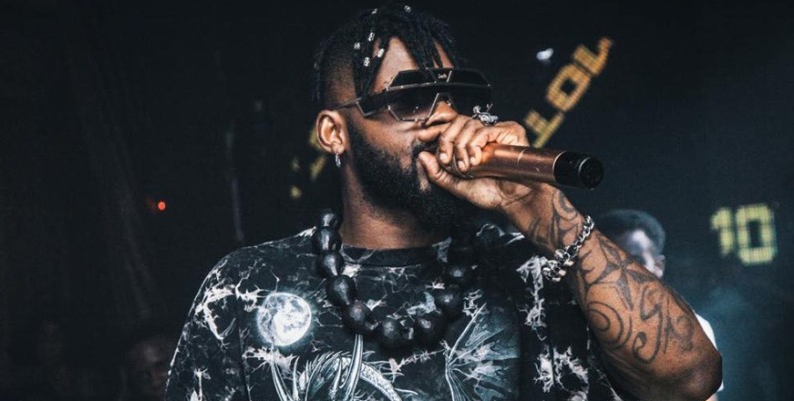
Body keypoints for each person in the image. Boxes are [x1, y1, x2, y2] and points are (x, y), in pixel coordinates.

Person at [166, 4, 721, 400]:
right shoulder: (247, 286)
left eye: (456, 97)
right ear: (334, 133)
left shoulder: (536, 269)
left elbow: (691, 381)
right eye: (409, 100)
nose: (444, 118)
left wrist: (546, 212)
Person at [595, 209, 723, 401]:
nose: (624, 271)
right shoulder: (571, 331)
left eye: (636, 261)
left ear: (658, 266)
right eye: (612, 261)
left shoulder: (693, 331)